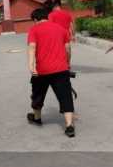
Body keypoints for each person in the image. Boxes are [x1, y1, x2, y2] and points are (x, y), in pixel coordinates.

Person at [26, 8, 76, 137]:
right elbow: (68, 48)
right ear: (47, 17)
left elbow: (32, 47)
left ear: (35, 19)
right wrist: (67, 63)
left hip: (42, 70)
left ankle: (37, 118)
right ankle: (69, 126)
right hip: (61, 69)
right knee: (65, 96)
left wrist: (31, 66)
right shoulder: (61, 29)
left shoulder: (34, 29)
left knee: (38, 94)